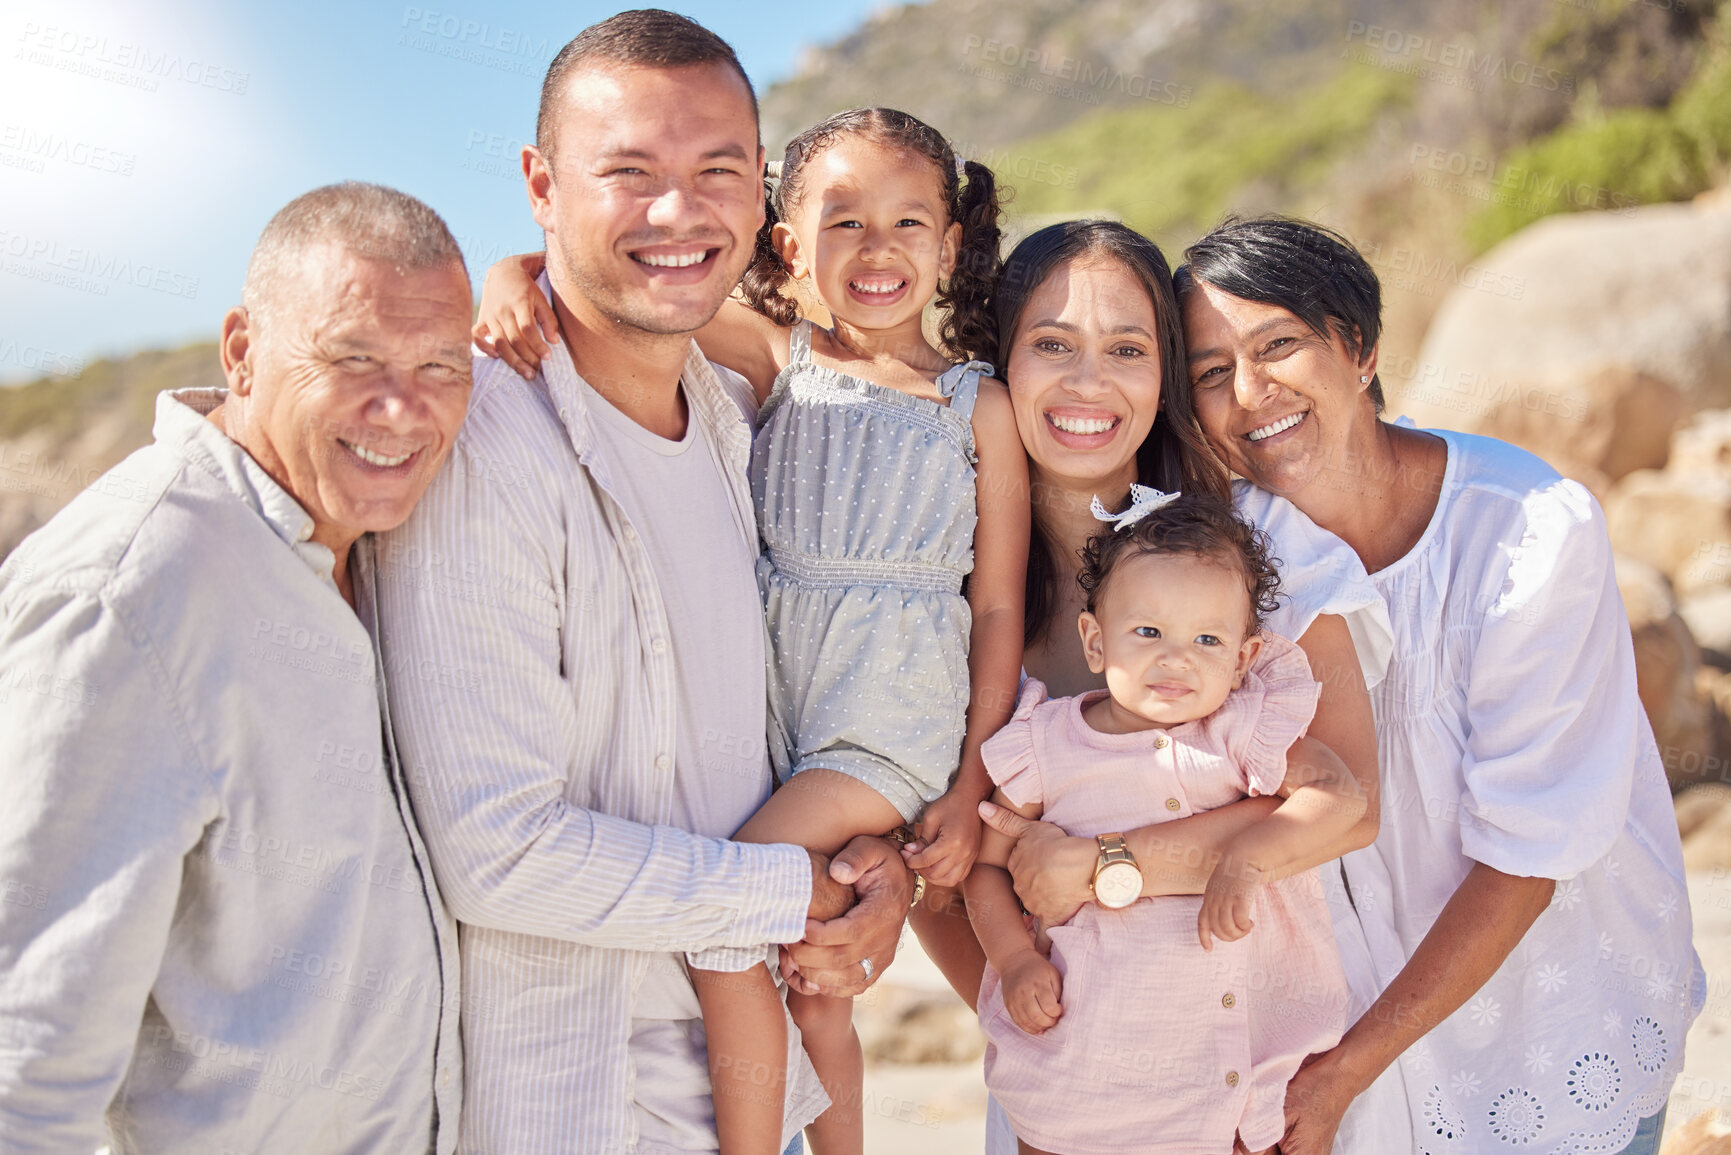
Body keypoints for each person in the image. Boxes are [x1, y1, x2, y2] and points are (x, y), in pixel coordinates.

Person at [376, 13, 914, 1155]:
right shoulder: (485, 448)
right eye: (630, 174)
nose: (680, 213)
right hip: (573, 1109)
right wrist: (786, 894)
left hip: (741, 1106)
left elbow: (753, 742)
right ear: (540, 183)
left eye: (718, 171)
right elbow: (497, 852)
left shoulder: (732, 424)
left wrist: (870, 873)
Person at [475, 106, 1027, 1154]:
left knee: (728, 921)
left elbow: (996, 606)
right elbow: (583, 283)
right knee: (814, 987)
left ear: (949, 246)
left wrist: (965, 786)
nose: (877, 250)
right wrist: (506, 288)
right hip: (780, 713)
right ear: (787, 244)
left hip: (885, 722)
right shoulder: (782, 358)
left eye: (910, 224)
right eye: (844, 222)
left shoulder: (975, 407)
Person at [1165, 215, 1707, 1155]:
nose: (1250, 395)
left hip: (1552, 1026)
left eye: (1278, 346)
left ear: (1360, 348)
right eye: (1213, 373)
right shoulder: (1228, 558)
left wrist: (1343, 1072)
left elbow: (1527, 857)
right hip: (1350, 1074)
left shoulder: (1529, 531)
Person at [0, 182, 471, 1152]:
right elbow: (24, 1061)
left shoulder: (384, 549)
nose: (403, 408)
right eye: (352, 358)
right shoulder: (131, 597)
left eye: (438, 364)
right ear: (244, 352)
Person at [968, 491, 1361, 1155]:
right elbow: (984, 868)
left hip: (1233, 1074)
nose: (1176, 658)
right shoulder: (1046, 742)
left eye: (1207, 638)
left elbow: (1339, 794)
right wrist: (1011, 958)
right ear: (1095, 639)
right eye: (1148, 632)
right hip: (1084, 1065)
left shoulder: (1243, 732)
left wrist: (1249, 858)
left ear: (1241, 659)